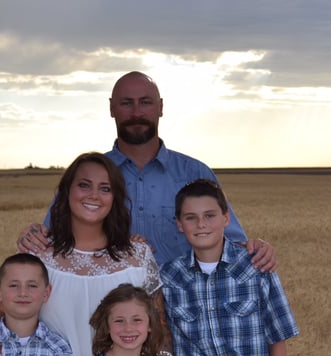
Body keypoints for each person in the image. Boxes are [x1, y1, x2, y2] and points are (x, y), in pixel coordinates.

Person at [17, 71, 277, 272]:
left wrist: (257, 248)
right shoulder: (87, 179)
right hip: (113, 322)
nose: (137, 112)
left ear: (161, 107)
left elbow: (230, 245)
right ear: (111, 108)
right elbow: (51, 242)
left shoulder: (195, 173)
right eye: (127, 103)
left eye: (145, 102)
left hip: (186, 320)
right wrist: (33, 235)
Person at [0, 152, 175, 356]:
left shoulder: (138, 255)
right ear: (66, 191)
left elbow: (159, 324)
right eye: (84, 185)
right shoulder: (39, 254)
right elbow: (9, 312)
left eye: (105, 188)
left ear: (115, 198)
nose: (94, 195)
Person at [159, 179, 299, 356]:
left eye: (210, 216)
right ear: (179, 224)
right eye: (191, 218)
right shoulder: (169, 276)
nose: (201, 225)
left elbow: (278, 340)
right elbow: (164, 339)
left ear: (225, 218)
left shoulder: (256, 267)